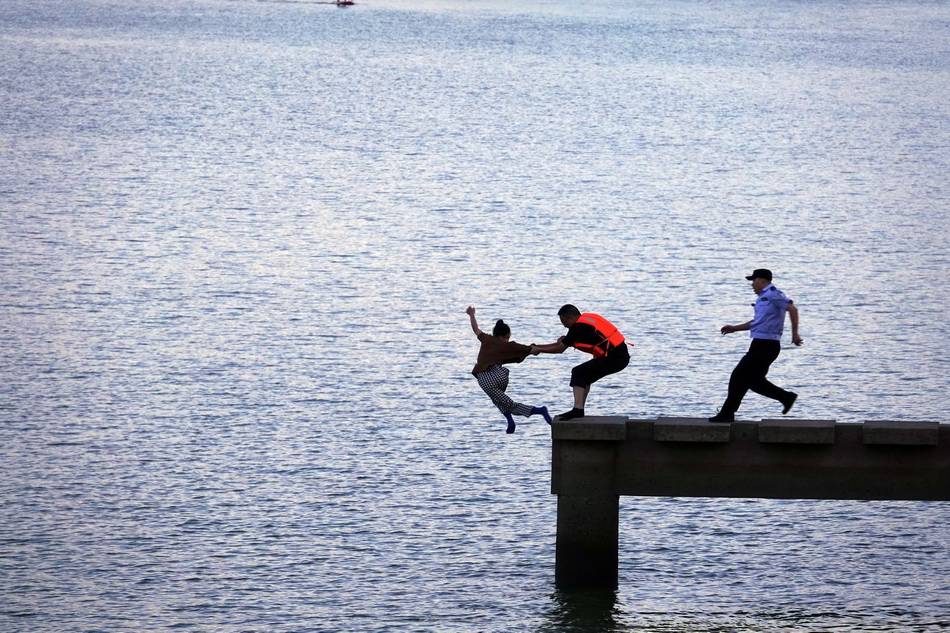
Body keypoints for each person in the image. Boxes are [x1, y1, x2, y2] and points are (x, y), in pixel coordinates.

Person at [708, 269, 803, 423]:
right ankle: (785, 397)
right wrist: (734, 328)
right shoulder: (762, 298)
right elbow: (757, 323)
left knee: (739, 376)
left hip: (767, 345)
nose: (752, 284)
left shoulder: (773, 294)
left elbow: (792, 309)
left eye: (754, 280)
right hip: (759, 344)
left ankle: (727, 413)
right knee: (751, 380)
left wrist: (795, 334)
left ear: (762, 280)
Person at [530, 304, 630, 420]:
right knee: (585, 376)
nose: (564, 325)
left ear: (570, 317)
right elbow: (571, 342)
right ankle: (579, 409)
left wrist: (538, 349)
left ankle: (578, 409)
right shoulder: (587, 320)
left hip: (615, 358)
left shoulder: (578, 327)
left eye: (564, 322)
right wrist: (538, 347)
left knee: (578, 372)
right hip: (620, 356)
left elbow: (559, 348)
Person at [467, 306, 552, 434]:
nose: (507, 340)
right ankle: (510, 420)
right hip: (501, 376)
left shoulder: (486, 339)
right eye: (507, 337)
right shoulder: (509, 345)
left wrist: (472, 315)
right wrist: (539, 349)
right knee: (497, 398)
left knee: (510, 404)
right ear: (505, 336)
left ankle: (539, 410)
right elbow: (532, 350)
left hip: (486, 378)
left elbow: (475, 329)